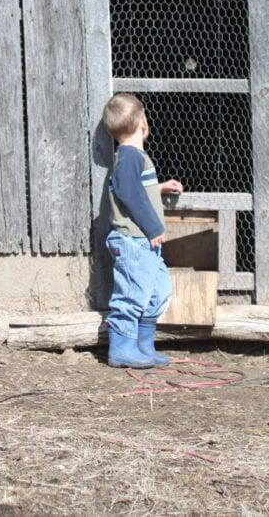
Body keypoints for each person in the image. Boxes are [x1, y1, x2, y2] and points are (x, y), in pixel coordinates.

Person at [102, 93, 183, 368]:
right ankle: (122, 348)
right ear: (143, 123)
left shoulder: (133, 157)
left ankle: (143, 345)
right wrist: (152, 227)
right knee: (132, 294)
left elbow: (135, 190)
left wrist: (159, 188)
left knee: (157, 291)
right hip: (134, 240)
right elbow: (127, 192)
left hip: (144, 244)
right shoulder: (128, 155)